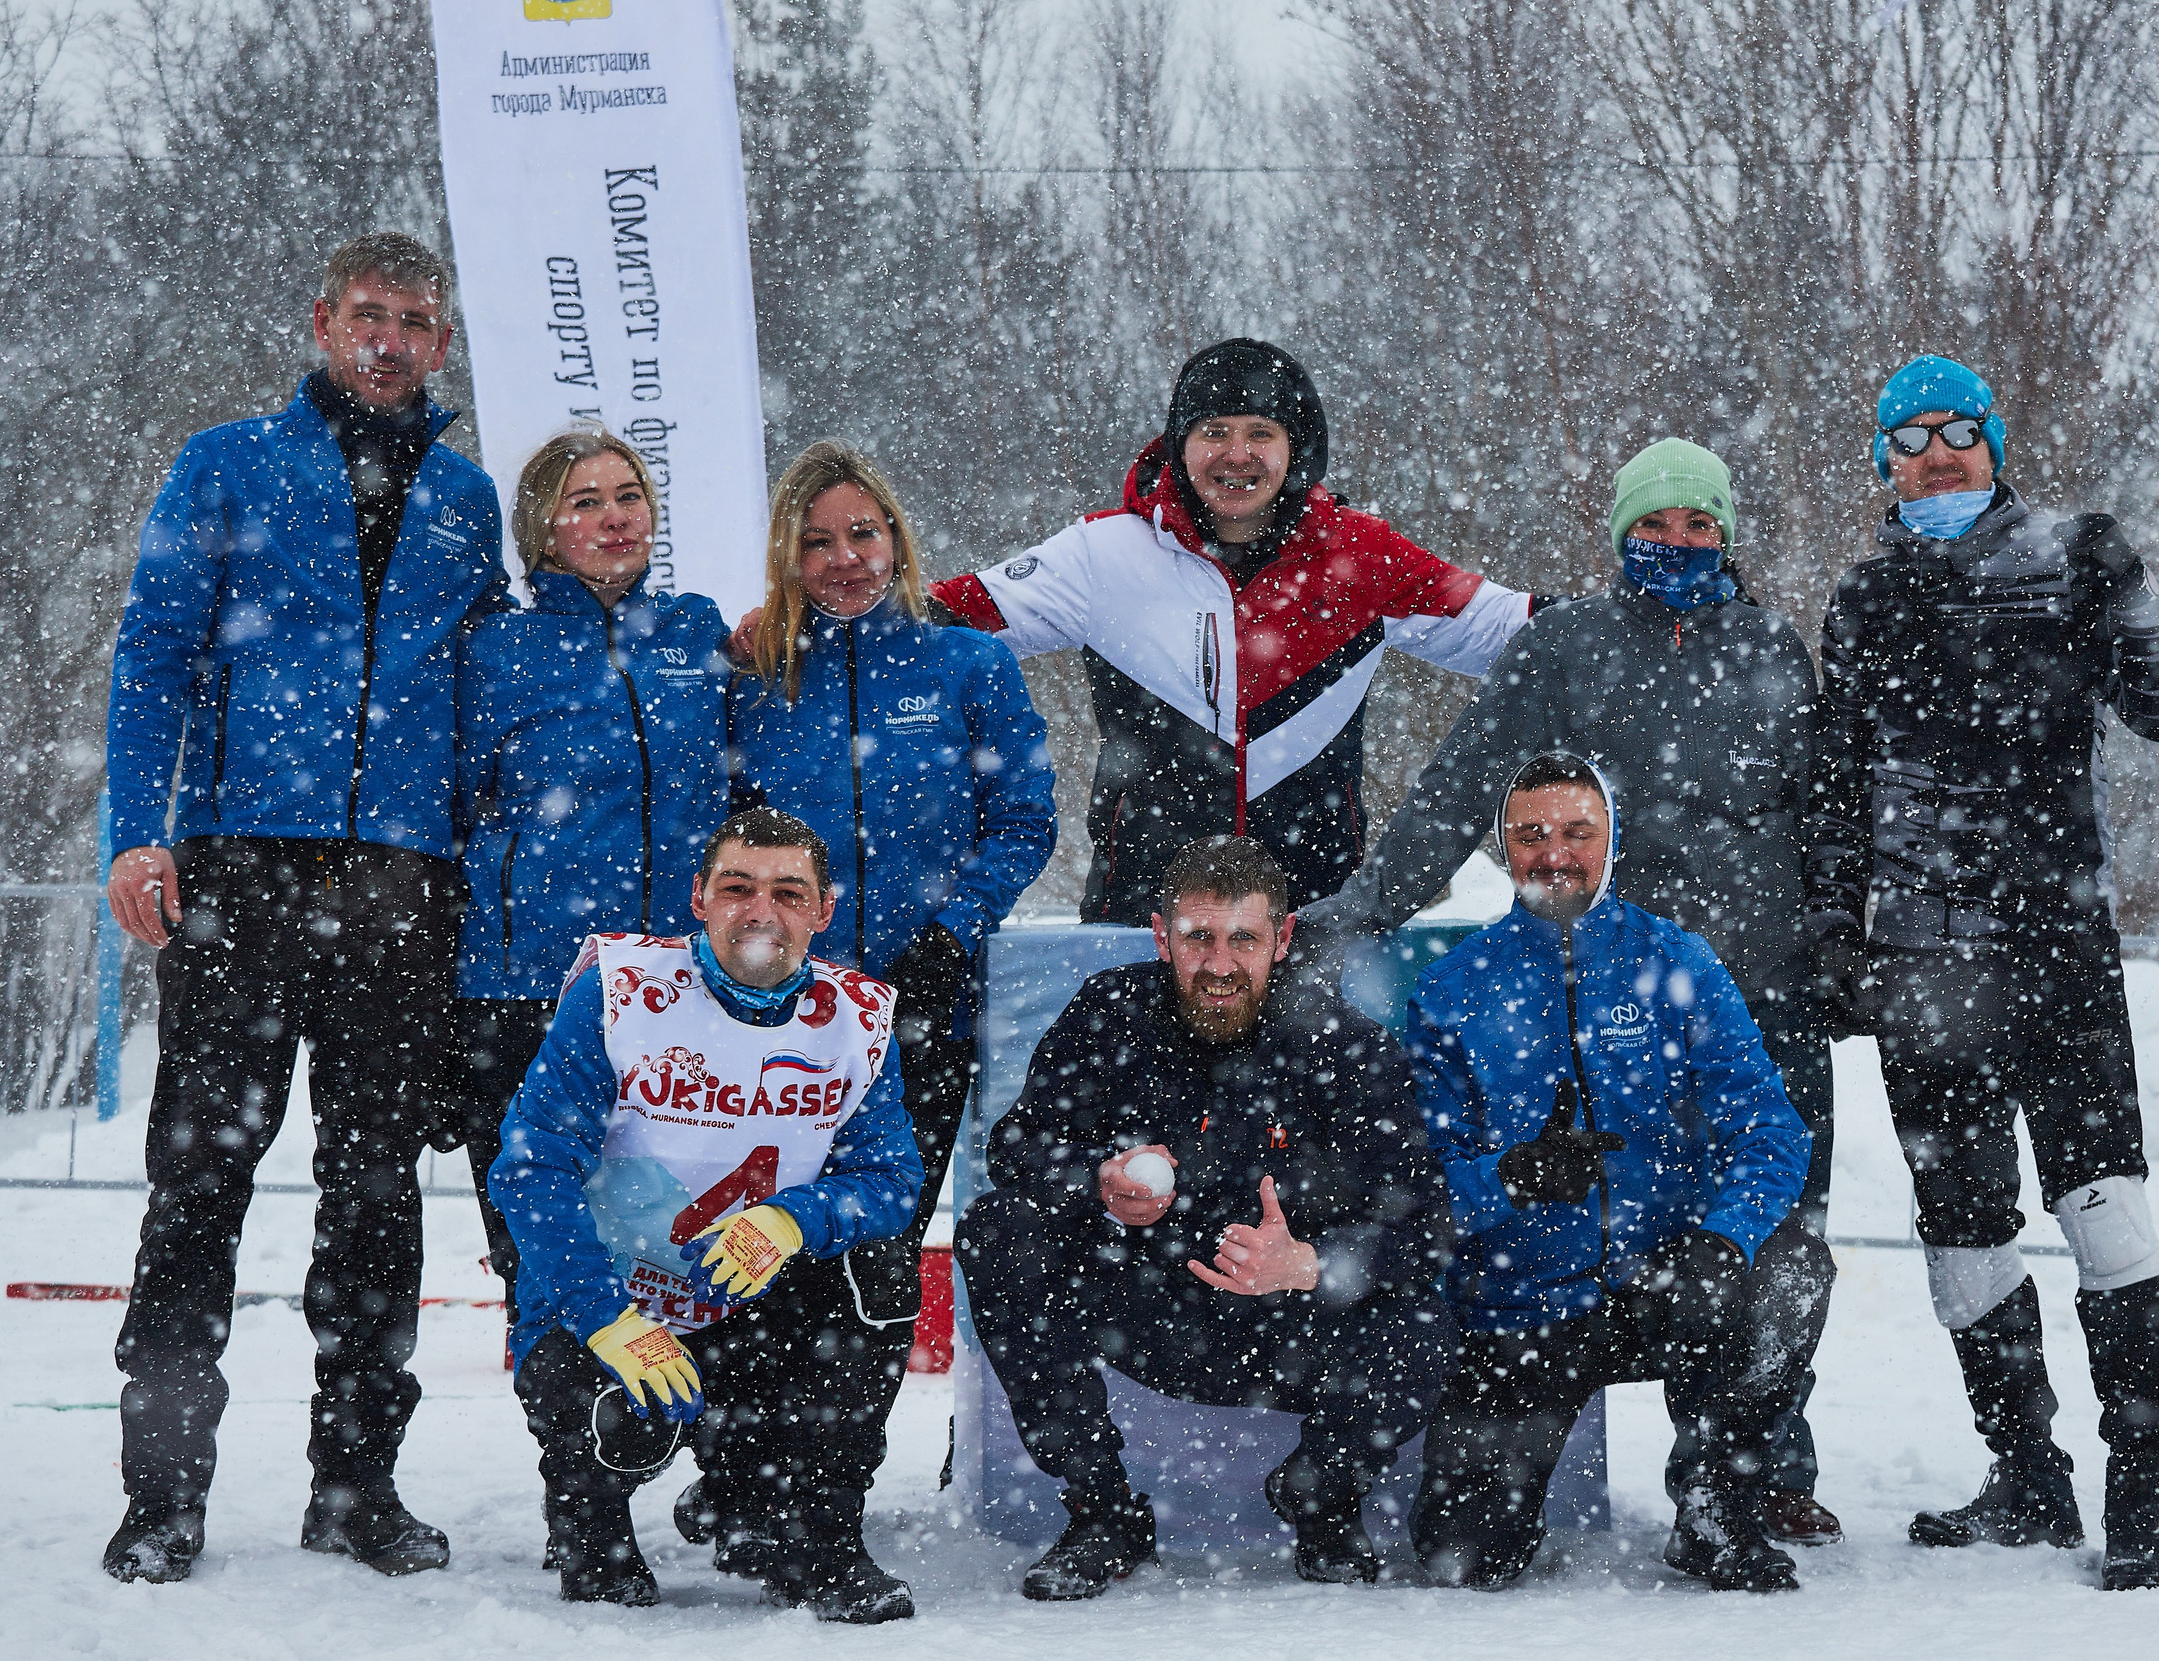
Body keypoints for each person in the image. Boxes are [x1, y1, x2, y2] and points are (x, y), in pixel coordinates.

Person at [1304, 437, 1844, 1542]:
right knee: (1609, 1206)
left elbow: (1829, 813)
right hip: (1618, 987)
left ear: (1728, 536)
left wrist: (1841, 939)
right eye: (1655, 524)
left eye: (1700, 524)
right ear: (1618, 535)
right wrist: (1361, 912)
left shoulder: (1775, 649)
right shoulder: (1570, 646)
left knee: (1770, 1223)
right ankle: (1520, 1418)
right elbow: (1462, 785)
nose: (1678, 543)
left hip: (1763, 981)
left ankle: (1748, 1469)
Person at [99, 232, 507, 1584]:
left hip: (403, 886)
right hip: (239, 873)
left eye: (415, 321)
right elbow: (153, 653)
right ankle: (162, 1493)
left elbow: (478, 685)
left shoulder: (465, 497)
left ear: (441, 343)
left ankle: (356, 1483)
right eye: (369, 316)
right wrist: (133, 837)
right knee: (199, 1180)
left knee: (380, 1189)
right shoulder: (227, 463)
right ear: (322, 319)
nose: (390, 340)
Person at [1805, 356, 2159, 1591]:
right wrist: (1831, 927)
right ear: (1881, 463)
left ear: (1993, 443)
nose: (1933, 455)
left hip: (2058, 946)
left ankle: (2141, 1487)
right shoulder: (1862, 601)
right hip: (1924, 964)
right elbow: (1836, 785)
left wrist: (2131, 592)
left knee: (2104, 1211)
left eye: (1956, 433)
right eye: (1907, 440)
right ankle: (2025, 1474)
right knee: (1963, 1232)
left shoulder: (2073, 558)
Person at [955, 835, 1456, 1600]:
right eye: (1198, 938)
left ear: (1282, 940)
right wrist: (1096, 1179)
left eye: (1244, 939)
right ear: (1163, 936)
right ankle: (1104, 1512)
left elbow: (1427, 1225)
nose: (1220, 965)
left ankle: (1322, 1496)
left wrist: (1309, 1264)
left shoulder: (1346, 1044)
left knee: (1433, 1309)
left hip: (1300, 1324)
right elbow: (1015, 1147)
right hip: (1149, 1307)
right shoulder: (1109, 1012)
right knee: (999, 1228)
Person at [719, 439, 1055, 1553]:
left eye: (863, 534)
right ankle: (746, 1480)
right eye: (816, 541)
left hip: (922, 1017)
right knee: (760, 1247)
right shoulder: (757, 676)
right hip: (776, 1026)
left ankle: (827, 1503)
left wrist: (952, 935)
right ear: (787, 555)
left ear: (898, 539)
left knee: (873, 1266)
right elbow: (719, 840)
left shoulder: (969, 666)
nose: (844, 558)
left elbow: (1023, 822)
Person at [929, 338, 1542, 926]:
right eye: (1213, 432)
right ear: (1180, 446)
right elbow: (937, 620)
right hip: (1142, 922)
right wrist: (840, 610)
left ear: (1297, 449)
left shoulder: (1361, 555)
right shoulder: (1103, 555)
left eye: (1260, 433)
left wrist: (1631, 618)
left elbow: (1520, 631)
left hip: (1312, 924)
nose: (1236, 453)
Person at [1403, 753, 1830, 1592]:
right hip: (1520, 1305)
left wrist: (1722, 1240)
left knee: (1790, 1269)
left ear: (1613, 842)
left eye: (1576, 833)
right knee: (1463, 1560)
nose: (1552, 853)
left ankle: (1716, 1499)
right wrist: (1512, 1178)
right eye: (1530, 834)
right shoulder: (1451, 989)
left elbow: (1772, 1131)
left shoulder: (1678, 961)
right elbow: (1415, 1189)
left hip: (1667, 1283)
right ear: (1503, 847)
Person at [489, 807, 926, 1618]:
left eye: (789, 892)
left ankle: (811, 1531)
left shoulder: (858, 1020)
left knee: (880, 1272)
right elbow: (530, 1164)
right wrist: (603, 1315)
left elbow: (893, 1177)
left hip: (749, 1308)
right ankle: (591, 1520)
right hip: (612, 1303)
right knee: (620, 1437)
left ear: (823, 910)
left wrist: (797, 1218)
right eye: (737, 887)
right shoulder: (621, 992)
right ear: (698, 897)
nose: (761, 910)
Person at [450, 427, 734, 1325]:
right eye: (584, 502)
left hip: (674, 989)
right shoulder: (495, 650)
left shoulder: (698, 633)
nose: (614, 517)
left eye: (627, 495)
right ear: (542, 534)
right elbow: (450, 808)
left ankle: (675, 1424)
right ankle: (579, 1445)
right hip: (529, 987)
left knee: (674, 1229)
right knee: (542, 1232)